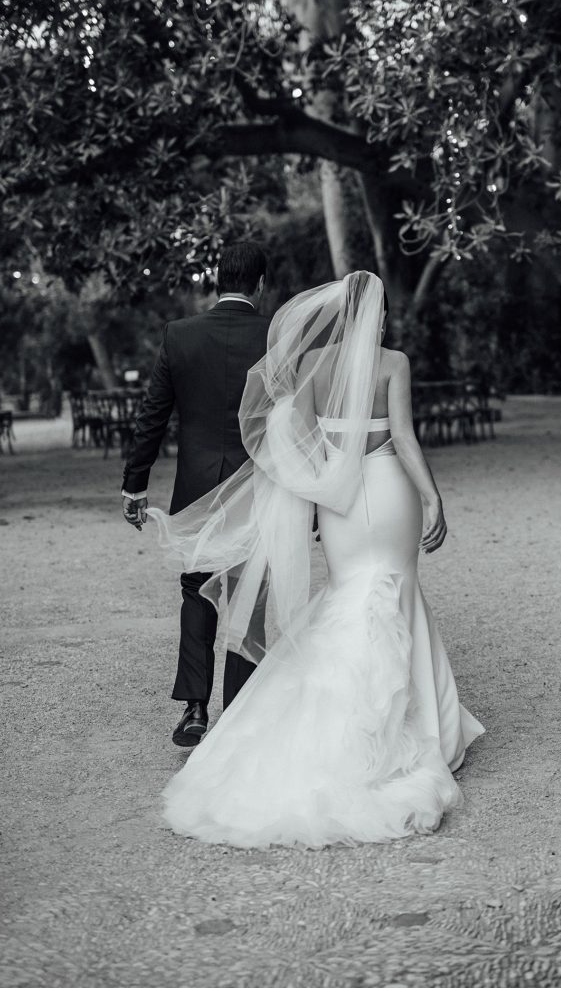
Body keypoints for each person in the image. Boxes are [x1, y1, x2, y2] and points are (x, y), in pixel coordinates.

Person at [149, 270, 484, 849]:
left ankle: (335, 723)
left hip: (340, 506)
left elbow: (288, 436)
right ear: (373, 316)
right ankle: (408, 733)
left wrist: (324, 479)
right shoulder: (393, 363)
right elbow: (402, 438)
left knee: (350, 593)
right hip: (386, 491)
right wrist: (432, 495)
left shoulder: (310, 367)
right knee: (395, 590)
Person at [121, 242, 271, 746]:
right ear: (261, 284)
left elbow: (153, 415)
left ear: (217, 280)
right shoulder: (277, 335)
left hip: (197, 487)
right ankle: (243, 709)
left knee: (196, 591)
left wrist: (135, 484)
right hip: (258, 486)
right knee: (248, 593)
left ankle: (195, 709)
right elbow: (295, 423)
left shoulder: (180, 336)